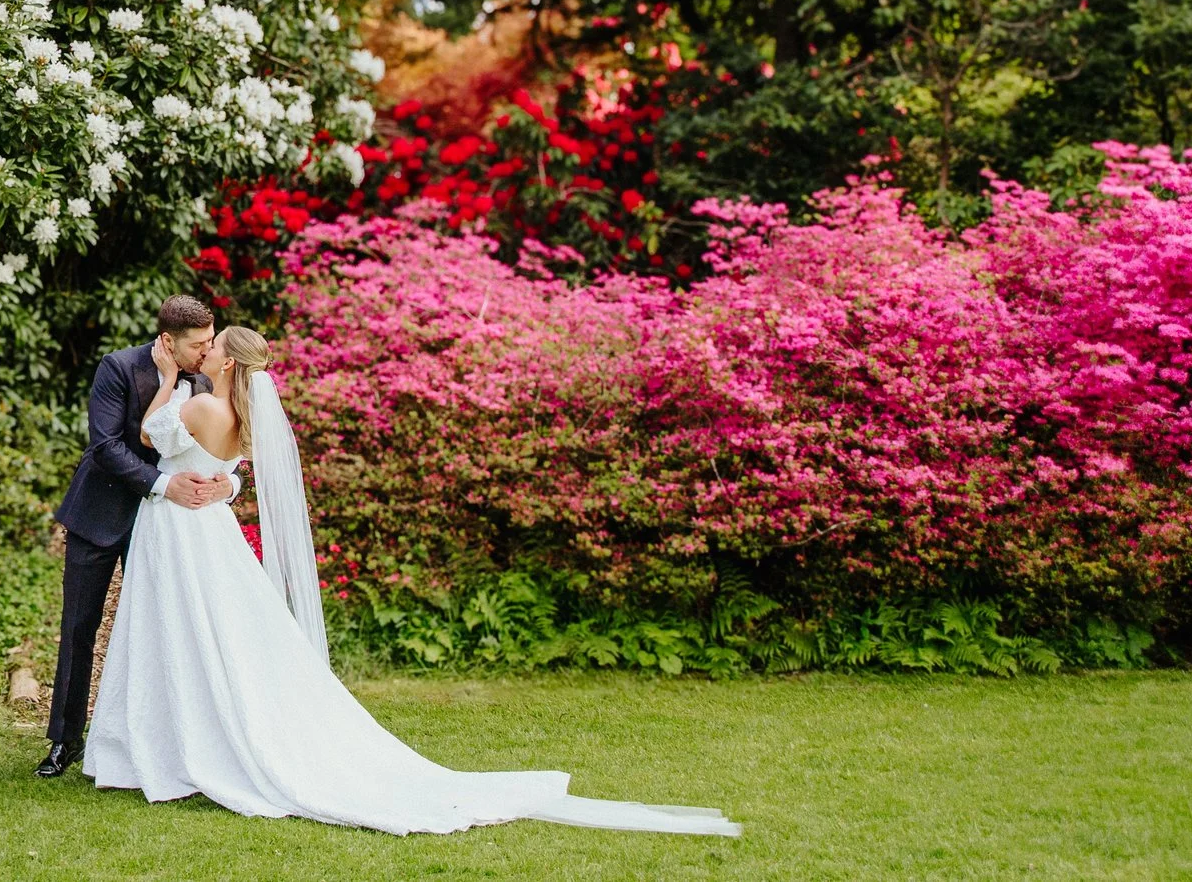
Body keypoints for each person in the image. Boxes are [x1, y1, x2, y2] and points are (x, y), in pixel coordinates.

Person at [79, 324, 741, 839]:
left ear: (226, 364)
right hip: (210, 533)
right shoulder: (245, 418)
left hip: (180, 531)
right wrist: (225, 483)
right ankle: (182, 740)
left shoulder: (197, 404)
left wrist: (168, 378)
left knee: (179, 631)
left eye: (214, 347)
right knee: (208, 635)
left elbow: (150, 436)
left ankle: (174, 746)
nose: (207, 352)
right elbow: (230, 471)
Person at [36, 294, 238, 779]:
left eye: (210, 341)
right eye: (197, 344)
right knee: (79, 627)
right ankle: (65, 740)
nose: (206, 351)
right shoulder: (119, 367)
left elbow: (228, 447)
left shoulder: (207, 379)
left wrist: (228, 486)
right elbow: (105, 445)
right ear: (168, 340)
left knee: (165, 629)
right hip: (101, 513)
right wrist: (165, 484)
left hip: (168, 531)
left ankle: (158, 741)